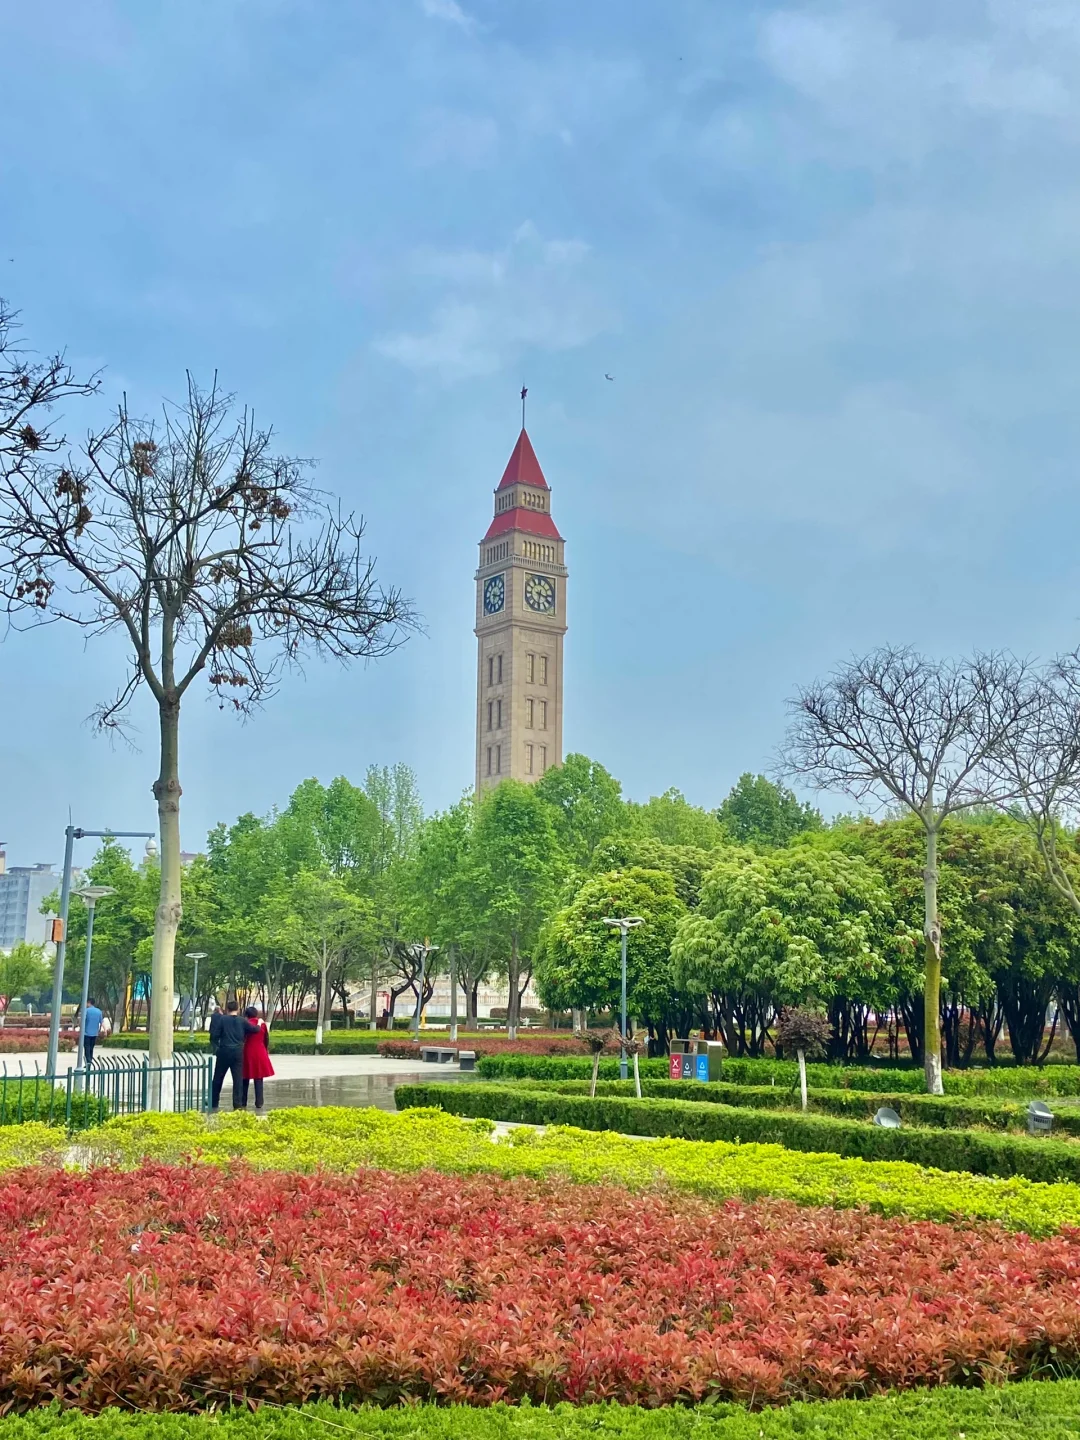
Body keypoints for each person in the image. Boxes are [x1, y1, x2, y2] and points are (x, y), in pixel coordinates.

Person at [208, 999, 258, 1111]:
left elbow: (214, 1035)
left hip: (224, 1051)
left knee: (218, 1077)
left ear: (227, 1009)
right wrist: (260, 1023)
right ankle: (237, 1104)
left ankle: (214, 1102)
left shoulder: (222, 1020)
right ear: (238, 1009)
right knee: (238, 1079)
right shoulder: (242, 1021)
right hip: (237, 1052)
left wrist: (217, 1047)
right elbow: (255, 1030)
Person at [241, 1005, 274, 1112]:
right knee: (258, 1078)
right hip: (260, 1051)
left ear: (246, 1015)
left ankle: (243, 1101)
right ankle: (259, 1102)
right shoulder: (262, 1024)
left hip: (247, 1052)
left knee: (245, 1077)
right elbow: (266, 1039)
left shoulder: (245, 1024)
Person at [81, 998, 104, 1067]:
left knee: (87, 1048)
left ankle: (88, 1061)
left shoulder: (86, 1011)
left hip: (86, 1033)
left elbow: (82, 1021)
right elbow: (101, 1022)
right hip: (94, 1033)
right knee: (91, 1048)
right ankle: (90, 1060)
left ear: (89, 1002)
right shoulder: (98, 1011)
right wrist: (105, 1030)